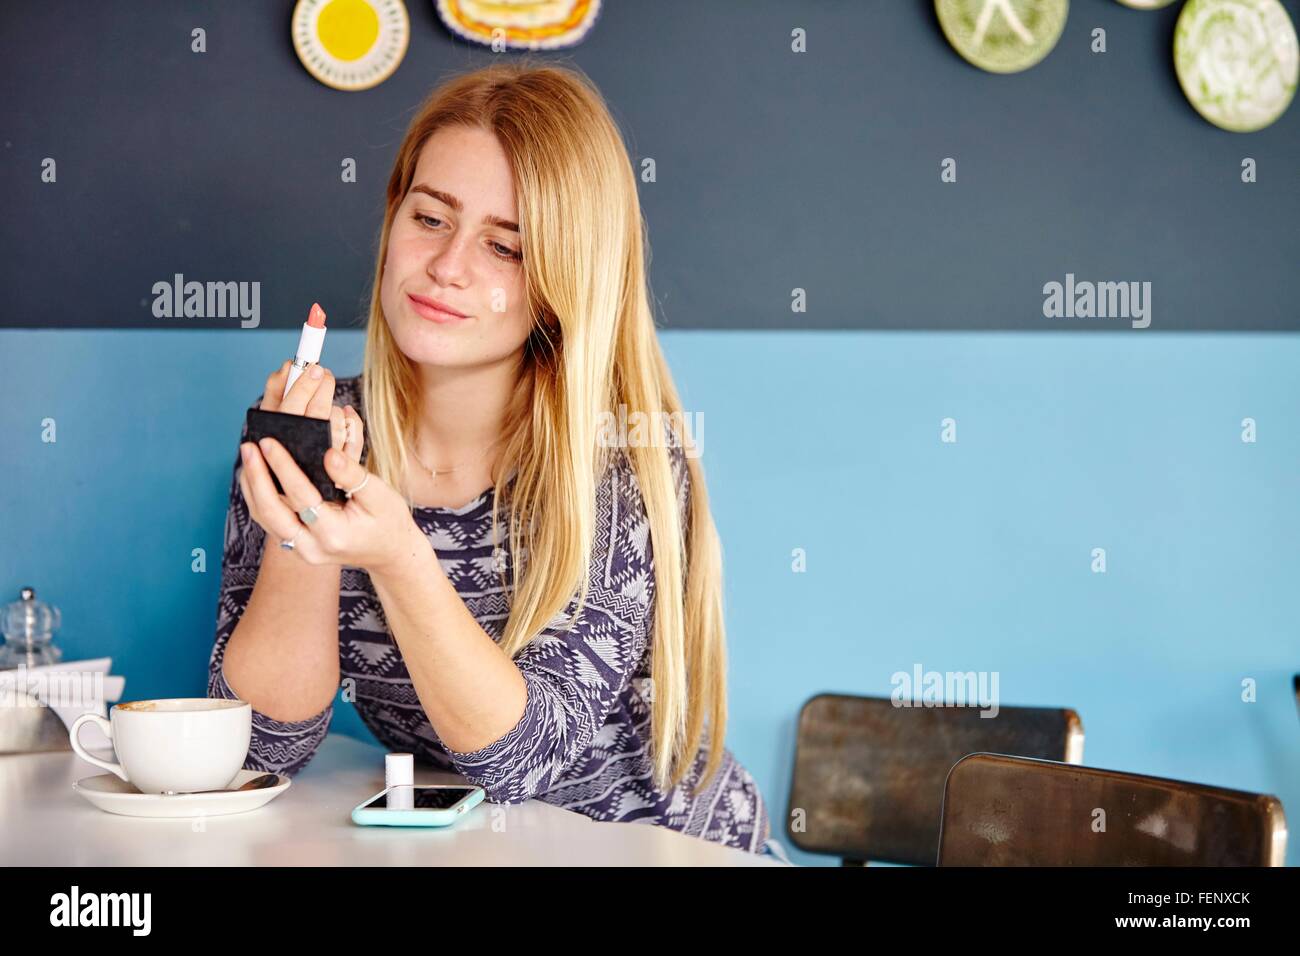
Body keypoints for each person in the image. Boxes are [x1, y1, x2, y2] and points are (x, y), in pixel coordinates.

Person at [209, 61, 786, 860]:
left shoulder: (623, 464)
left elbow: (522, 759)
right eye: (431, 218)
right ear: (392, 220)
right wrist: (302, 518)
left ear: (563, 284)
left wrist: (398, 555)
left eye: (506, 248)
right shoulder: (315, 431)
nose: (448, 267)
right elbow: (258, 751)